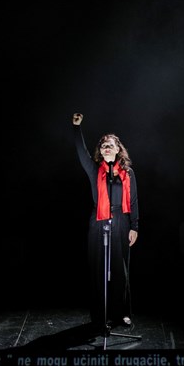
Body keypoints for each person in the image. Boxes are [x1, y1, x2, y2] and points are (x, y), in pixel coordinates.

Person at [72, 112, 139, 328]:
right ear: (100, 151)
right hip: (99, 221)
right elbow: (82, 153)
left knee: (120, 269)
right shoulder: (95, 170)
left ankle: (121, 313)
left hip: (121, 220)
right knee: (99, 270)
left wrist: (135, 226)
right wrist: (77, 128)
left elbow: (134, 200)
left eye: (110, 145)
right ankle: (100, 316)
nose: (106, 147)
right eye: (103, 145)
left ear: (118, 149)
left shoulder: (128, 173)